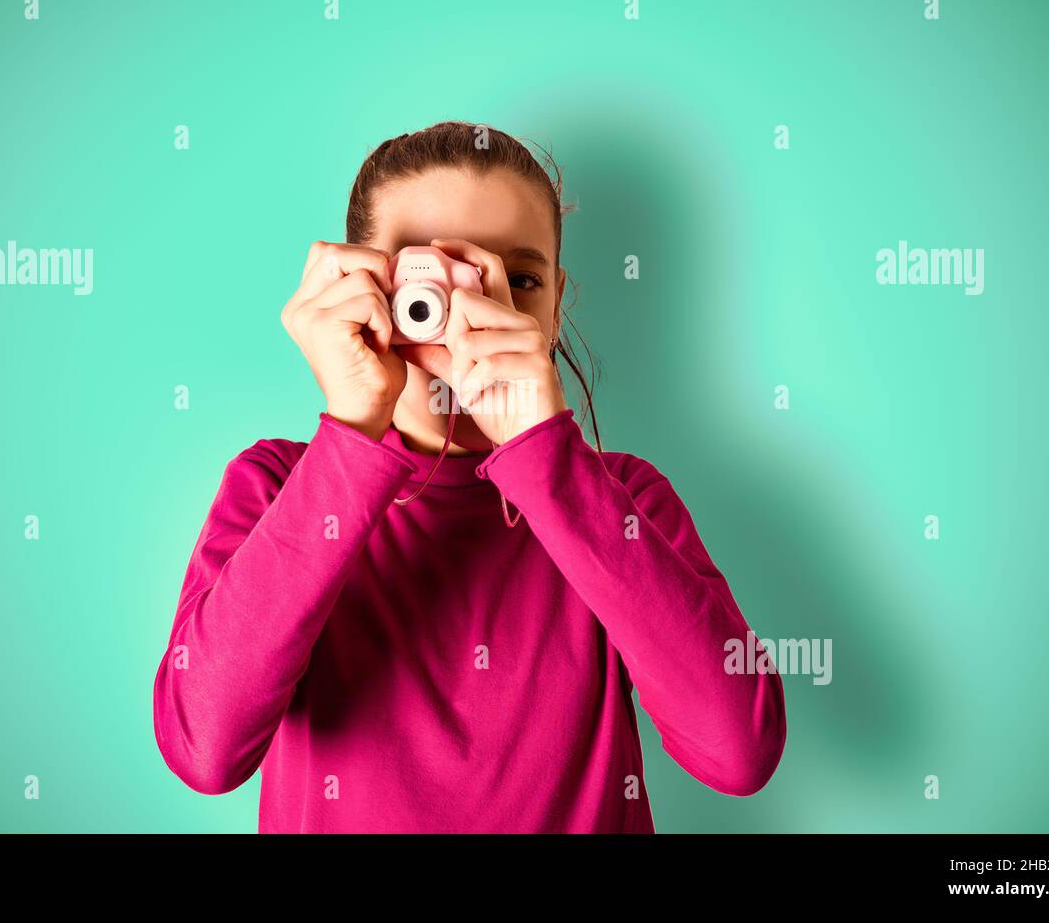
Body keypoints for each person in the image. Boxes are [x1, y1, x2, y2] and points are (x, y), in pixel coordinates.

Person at [153, 120, 786, 832]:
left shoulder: (623, 501)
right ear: (359, 287)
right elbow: (203, 752)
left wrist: (548, 462)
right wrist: (353, 427)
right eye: (425, 280)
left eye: (518, 280)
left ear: (553, 304)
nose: (475, 315)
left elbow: (738, 754)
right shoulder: (277, 485)